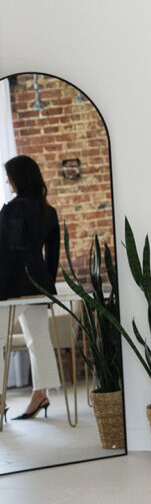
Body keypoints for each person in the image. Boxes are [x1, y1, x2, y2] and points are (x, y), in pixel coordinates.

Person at [0, 155, 61, 420]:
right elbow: (54, 256)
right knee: (39, 340)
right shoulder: (49, 211)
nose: (6, 180)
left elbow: (7, 252)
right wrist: (47, 287)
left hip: (12, 286)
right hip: (39, 284)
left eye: (9, 176)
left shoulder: (13, 209)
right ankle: (41, 395)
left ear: (19, 178)